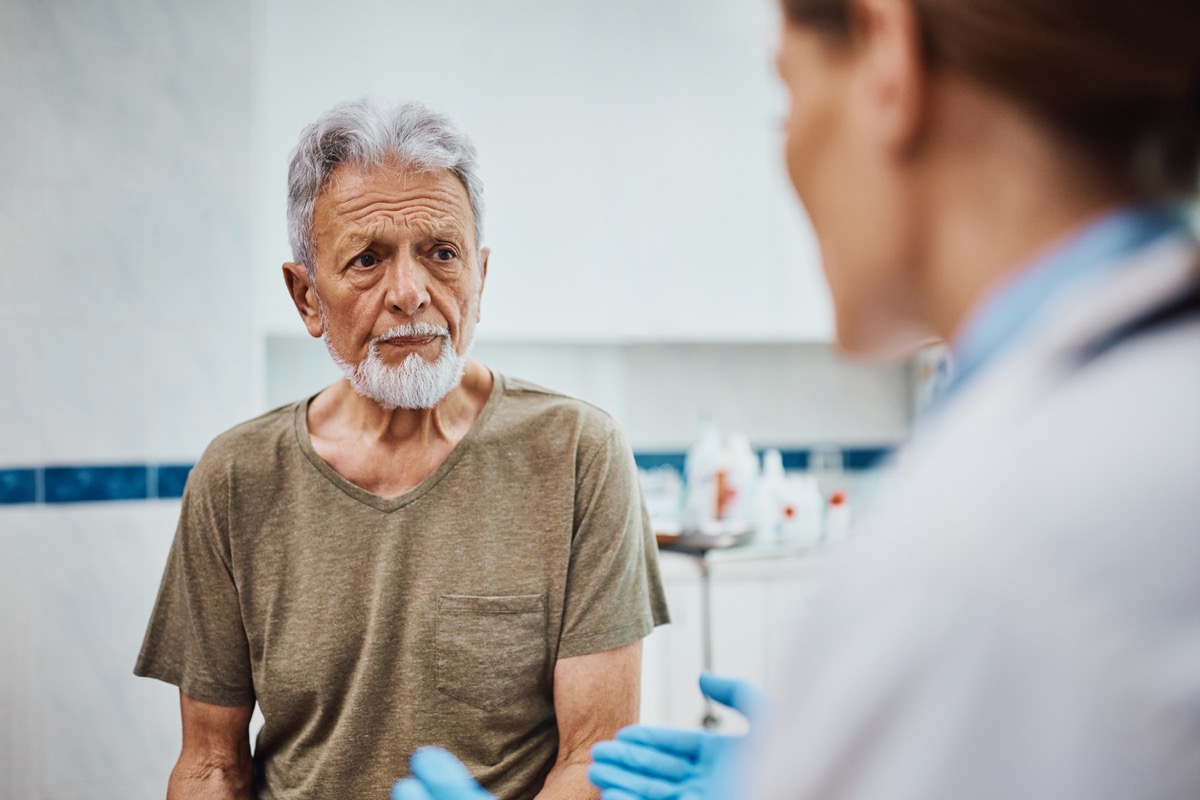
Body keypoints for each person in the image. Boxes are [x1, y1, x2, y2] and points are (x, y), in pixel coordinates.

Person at [398, 0, 1200, 798]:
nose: (788, 159)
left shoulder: (976, 549)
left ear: (888, 56)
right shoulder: (1145, 407)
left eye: (787, 99)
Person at [134, 98, 669, 800]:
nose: (411, 293)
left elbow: (593, 757)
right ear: (306, 297)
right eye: (367, 259)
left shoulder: (578, 455)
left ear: (480, 279)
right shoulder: (235, 478)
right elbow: (211, 765)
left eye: (441, 254)